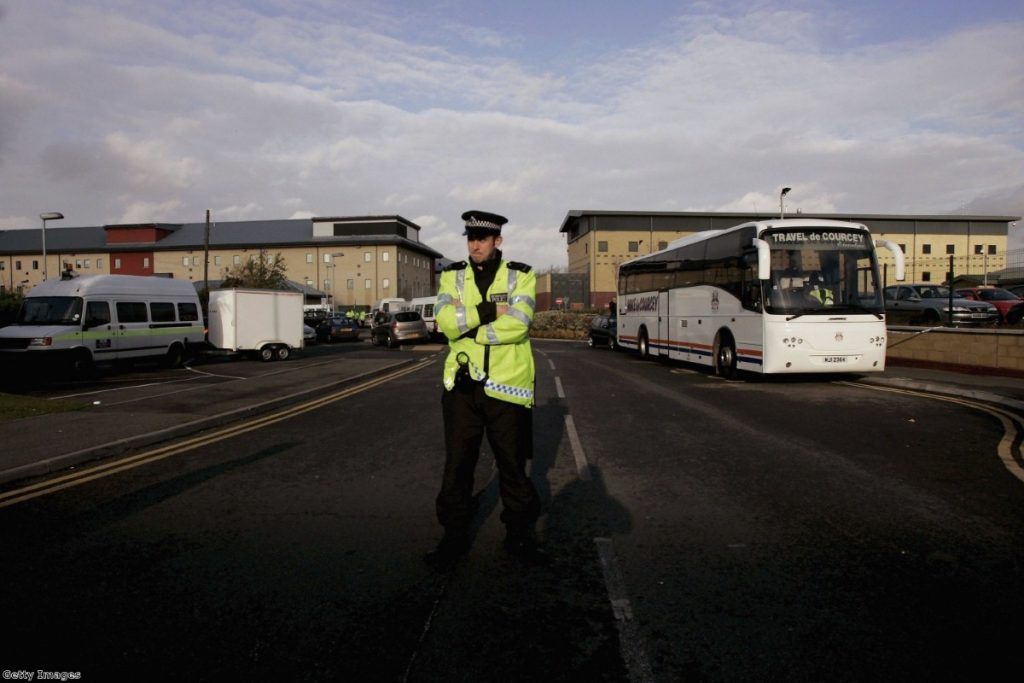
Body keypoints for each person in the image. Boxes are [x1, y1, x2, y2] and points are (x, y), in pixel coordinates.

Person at [426, 209, 544, 565]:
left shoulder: (522, 275)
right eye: (470, 238)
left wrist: (469, 324)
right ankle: (453, 536)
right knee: (458, 465)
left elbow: (519, 324)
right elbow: (446, 323)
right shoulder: (451, 276)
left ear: (497, 241)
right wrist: (490, 311)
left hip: (507, 387)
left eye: (482, 239)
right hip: (462, 386)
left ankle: (519, 536)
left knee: (512, 465)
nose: (474, 244)